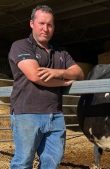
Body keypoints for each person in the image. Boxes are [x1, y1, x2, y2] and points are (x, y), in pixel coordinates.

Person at [8, 5, 84, 169]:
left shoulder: (60, 53)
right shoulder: (21, 46)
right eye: (41, 23)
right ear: (31, 24)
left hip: (55, 116)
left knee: (52, 162)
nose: (45, 28)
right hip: (27, 114)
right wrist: (63, 82)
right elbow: (35, 75)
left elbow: (79, 73)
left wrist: (56, 72)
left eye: (50, 25)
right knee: (23, 162)